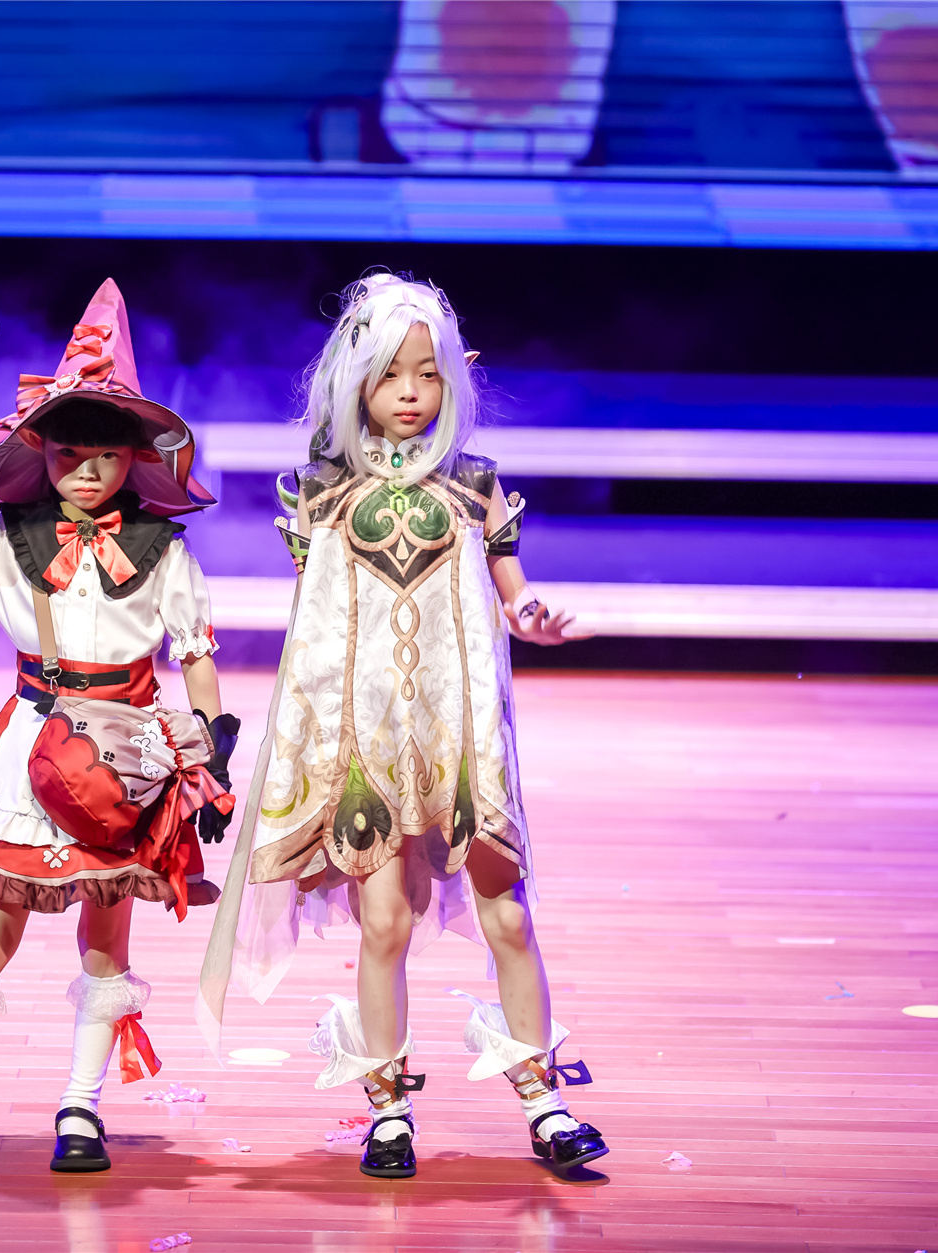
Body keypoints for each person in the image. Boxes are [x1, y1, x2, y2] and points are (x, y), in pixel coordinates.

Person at [0, 280, 240, 1174]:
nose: (89, 470)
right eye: (72, 451)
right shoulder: (5, 540)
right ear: (43, 451)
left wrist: (212, 747)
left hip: (129, 752)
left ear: (135, 459)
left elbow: (196, 654)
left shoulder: (165, 552)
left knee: (106, 932)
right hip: (31, 748)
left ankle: (81, 1109)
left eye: (107, 454)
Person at [234, 272, 607, 1180]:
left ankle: (545, 1099)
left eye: (429, 374)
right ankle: (388, 1109)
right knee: (385, 922)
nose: (411, 393)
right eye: (391, 374)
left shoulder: (475, 484)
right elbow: (315, 627)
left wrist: (534, 617)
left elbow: (514, 596)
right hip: (368, 737)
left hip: (460, 735)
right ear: (356, 381)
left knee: (507, 909)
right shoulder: (321, 490)